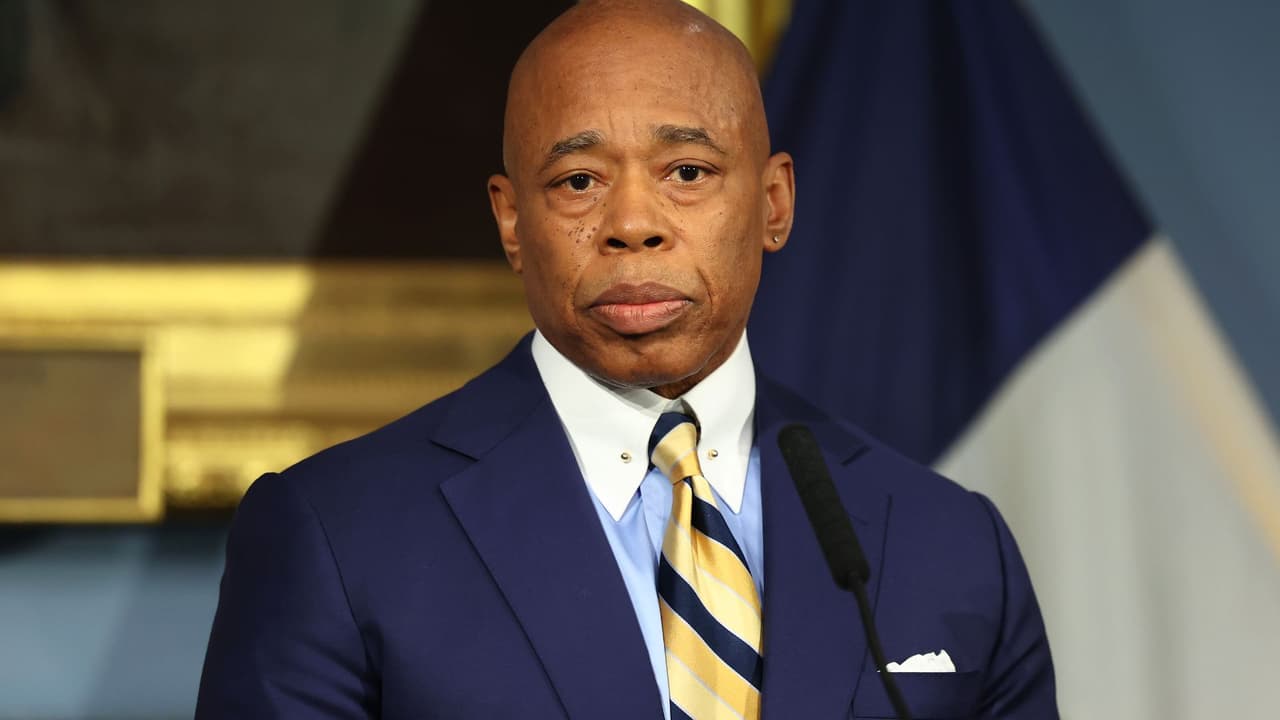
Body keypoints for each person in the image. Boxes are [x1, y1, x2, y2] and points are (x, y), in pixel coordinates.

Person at [196, 1, 1058, 717]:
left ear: (774, 203)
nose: (633, 224)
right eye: (579, 182)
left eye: (687, 172)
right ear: (511, 223)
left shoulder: (952, 544)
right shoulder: (338, 540)